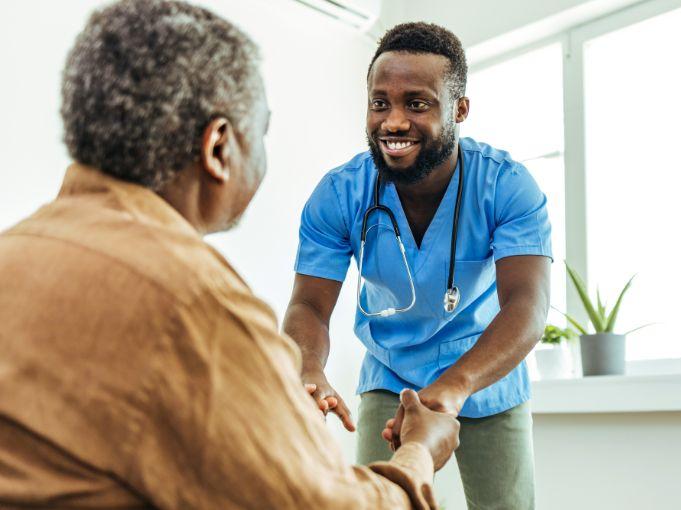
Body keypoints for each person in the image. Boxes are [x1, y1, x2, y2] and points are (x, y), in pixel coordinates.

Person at [0, 1, 458, 508]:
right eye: (260, 131)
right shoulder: (196, 307)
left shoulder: (14, 253)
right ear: (219, 147)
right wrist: (418, 453)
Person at [284, 22, 551, 510]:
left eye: (417, 103)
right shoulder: (339, 193)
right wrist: (307, 366)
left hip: (486, 374)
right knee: (374, 502)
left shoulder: (507, 186)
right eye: (380, 103)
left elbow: (527, 305)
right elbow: (308, 304)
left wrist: (455, 386)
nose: (394, 121)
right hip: (390, 372)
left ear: (460, 109)